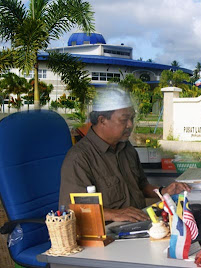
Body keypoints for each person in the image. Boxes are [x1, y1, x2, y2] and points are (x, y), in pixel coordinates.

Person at [59, 85, 190, 222]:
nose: (129, 125)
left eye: (132, 119)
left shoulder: (126, 148)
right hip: (108, 233)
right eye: (124, 120)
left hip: (140, 221)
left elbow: (142, 186)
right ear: (102, 120)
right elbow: (74, 209)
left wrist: (164, 191)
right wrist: (115, 214)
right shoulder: (79, 158)